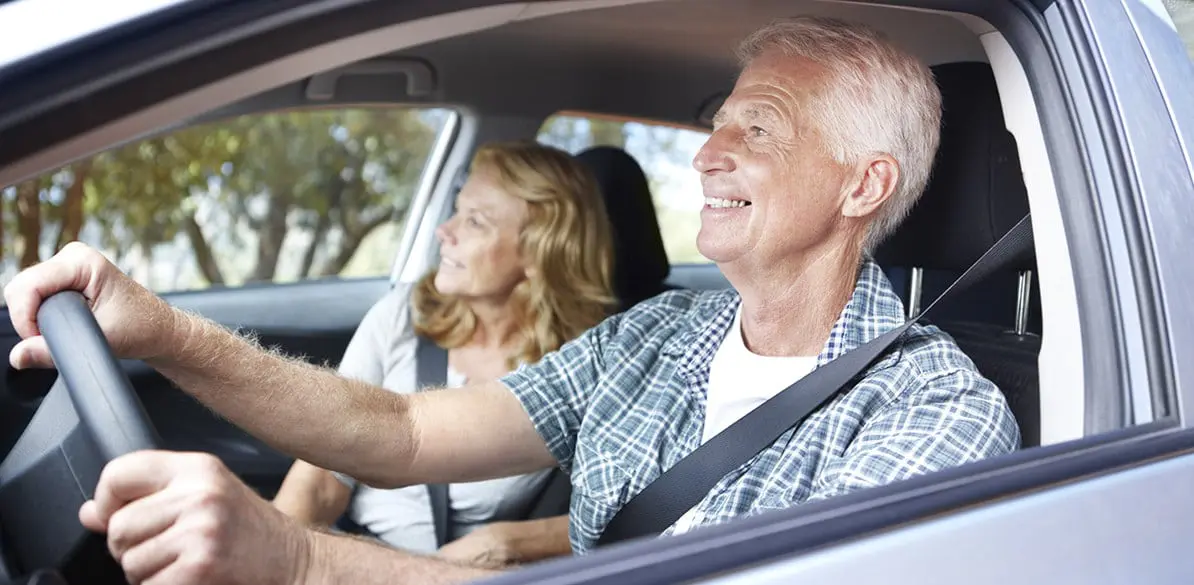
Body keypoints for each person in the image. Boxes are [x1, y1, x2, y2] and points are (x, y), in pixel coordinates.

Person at [4, 16, 1020, 585]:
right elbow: (403, 432)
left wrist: (298, 561)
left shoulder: (936, 417)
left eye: (758, 128)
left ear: (862, 186)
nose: (707, 151)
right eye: (719, 120)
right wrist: (165, 333)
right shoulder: (656, 336)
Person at [269, 141, 610, 567]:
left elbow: (630, 508)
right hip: (352, 558)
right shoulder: (403, 314)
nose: (444, 231)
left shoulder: (584, 365)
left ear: (541, 251)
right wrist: (272, 563)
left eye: (475, 221)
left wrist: (511, 541)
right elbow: (321, 475)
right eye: (457, 209)